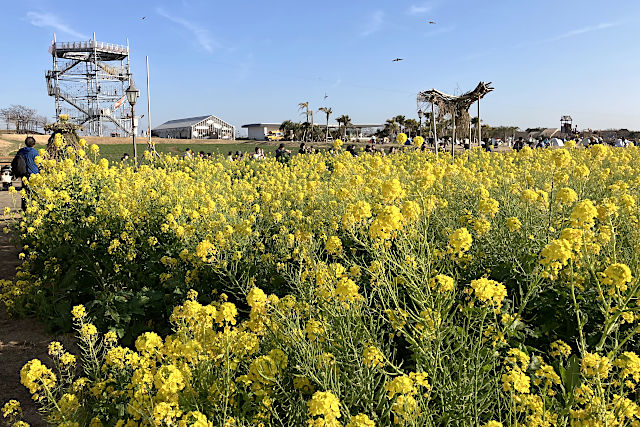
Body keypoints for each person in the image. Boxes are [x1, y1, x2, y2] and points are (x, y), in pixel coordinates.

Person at [16, 136, 39, 211]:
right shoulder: (35, 152)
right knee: (35, 194)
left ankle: (25, 210)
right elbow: (39, 163)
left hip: (24, 175)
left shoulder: (21, 151)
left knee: (25, 193)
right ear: (34, 143)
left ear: (25, 143)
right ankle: (34, 209)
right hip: (34, 175)